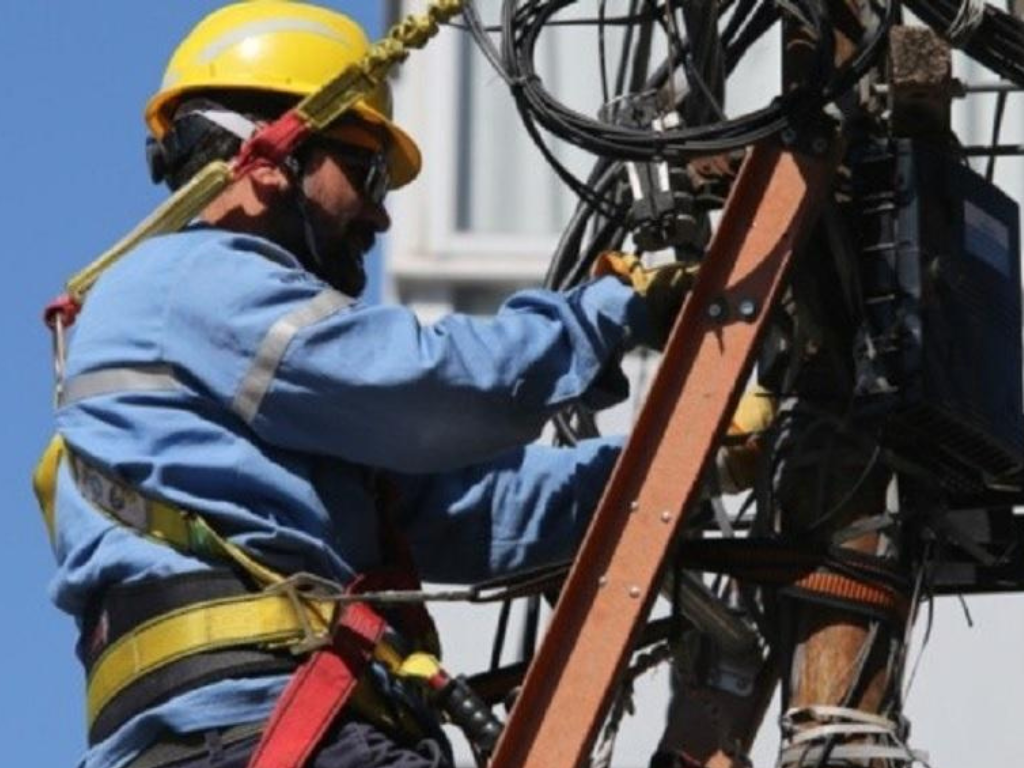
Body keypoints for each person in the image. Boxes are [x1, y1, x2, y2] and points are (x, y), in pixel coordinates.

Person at [33, 3, 694, 768]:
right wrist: (615, 313)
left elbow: (458, 512)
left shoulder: (250, 380)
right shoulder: (191, 280)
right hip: (255, 735)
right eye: (364, 168)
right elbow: (429, 385)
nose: (379, 212)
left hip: (264, 735)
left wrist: (682, 464)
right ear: (270, 152)